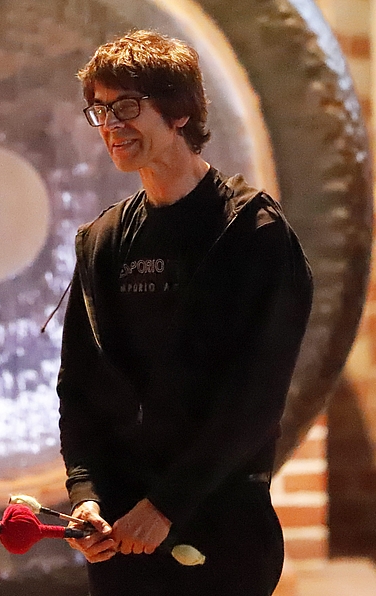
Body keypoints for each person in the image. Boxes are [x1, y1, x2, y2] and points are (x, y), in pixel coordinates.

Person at [57, 30, 313, 596]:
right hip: (123, 539)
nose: (110, 125)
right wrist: (87, 496)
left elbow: (257, 399)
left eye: (127, 107)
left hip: (223, 532)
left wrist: (165, 506)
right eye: (99, 110)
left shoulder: (253, 234)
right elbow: (79, 389)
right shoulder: (102, 240)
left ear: (179, 113)